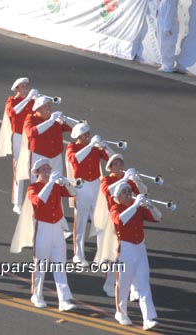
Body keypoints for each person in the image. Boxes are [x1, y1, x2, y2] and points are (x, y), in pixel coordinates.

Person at [25, 159, 76, 311]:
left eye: (49, 168)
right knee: (40, 265)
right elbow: (38, 202)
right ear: (38, 173)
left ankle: (64, 299)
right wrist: (51, 183)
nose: (48, 171)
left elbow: (73, 192)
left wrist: (64, 182)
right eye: (44, 169)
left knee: (60, 264)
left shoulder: (55, 185)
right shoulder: (32, 187)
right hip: (43, 229)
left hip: (57, 229)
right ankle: (37, 295)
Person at [93, 154, 147, 298]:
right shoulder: (106, 180)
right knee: (115, 254)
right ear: (110, 167)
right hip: (114, 220)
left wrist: (136, 179)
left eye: (120, 164)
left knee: (133, 255)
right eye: (115, 164)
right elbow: (108, 191)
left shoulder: (128, 180)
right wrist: (125, 179)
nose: (119, 167)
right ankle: (109, 284)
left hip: (130, 219)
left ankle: (135, 289)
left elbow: (143, 192)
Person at [110, 182, 161, 331]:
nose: (128, 194)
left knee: (144, 284)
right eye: (124, 192)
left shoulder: (137, 207)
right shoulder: (115, 208)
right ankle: (121, 313)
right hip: (124, 250)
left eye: (129, 191)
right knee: (123, 284)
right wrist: (135, 205)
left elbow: (158, 218)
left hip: (140, 248)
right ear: (117, 197)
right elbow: (120, 220)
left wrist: (150, 206)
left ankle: (148, 318)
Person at [22, 95, 74, 238]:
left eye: (49, 107)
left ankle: (62, 227)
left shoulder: (55, 119)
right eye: (45, 107)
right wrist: (51, 121)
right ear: (37, 108)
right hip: (38, 157)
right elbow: (31, 133)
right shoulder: (31, 118)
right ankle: (35, 226)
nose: (49, 109)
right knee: (39, 192)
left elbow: (75, 130)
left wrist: (65, 119)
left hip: (55, 158)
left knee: (57, 188)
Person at [66, 123, 112, 266]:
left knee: (100, 222)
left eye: (88, 133)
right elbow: (75, 160)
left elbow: (112, 161)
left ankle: (102, 256)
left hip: (96, 186)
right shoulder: (72, 147)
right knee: (80, 223)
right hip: (81, 187)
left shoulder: (94, 147)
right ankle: (78, 256)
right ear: (78, 136)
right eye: (85, 134)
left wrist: (105, 146)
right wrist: (91, 146)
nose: (88, 136)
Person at [0, 77, 38, 214]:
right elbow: (13, 112)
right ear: (16, 89)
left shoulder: (33, 100)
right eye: (23, 86)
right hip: (18, 137)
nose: (26, 88)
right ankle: (17, 203)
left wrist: (39, 100)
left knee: (35, 167)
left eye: (27, 85)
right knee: (19, 169)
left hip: (32, 137)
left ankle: (34, 200)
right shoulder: (11, 101)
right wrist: (28, 99)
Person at [157, 0, 179, 72]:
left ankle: (168, 66)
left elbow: (170, 13)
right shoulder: (164, 1)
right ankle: (165, 64)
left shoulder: (170, 1)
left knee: (168, 46)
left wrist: (167, 27)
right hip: (163, 26)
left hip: (168, 27)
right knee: (163, 46)